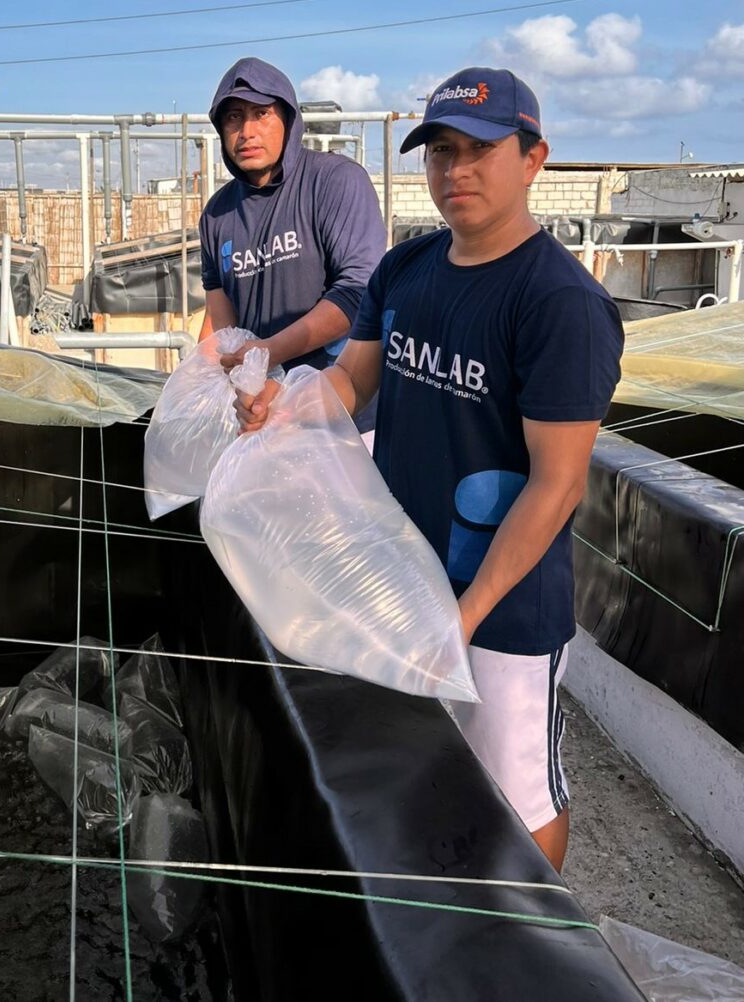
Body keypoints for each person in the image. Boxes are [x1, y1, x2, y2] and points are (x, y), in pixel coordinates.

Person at [237, 67, 624, 872]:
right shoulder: (407, 271)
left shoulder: (559, 304)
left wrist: (470, 612)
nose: (457, 171)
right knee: (428, 765)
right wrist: (287, 403)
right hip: (404, 576)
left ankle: (533, 949)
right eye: (441, 151)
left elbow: (557, 486)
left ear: (533, 158)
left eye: (481, 150)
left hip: (504, 610)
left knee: (520, 787)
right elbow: (352, 379)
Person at [198, 56, 387, 372]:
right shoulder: (217, 213)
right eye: (234, 117)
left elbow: (359, 292)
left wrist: (268, 353)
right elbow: (221, 324)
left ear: (289, 118)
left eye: (262, 114)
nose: (247, 131)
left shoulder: (334, 180)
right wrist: (205, 380)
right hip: (259, 402)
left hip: (340, 400)